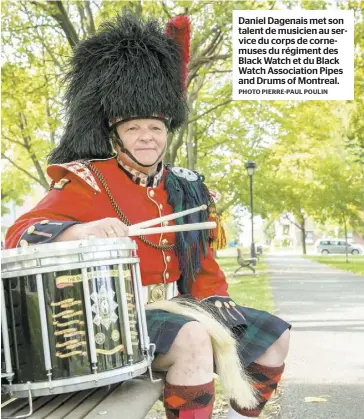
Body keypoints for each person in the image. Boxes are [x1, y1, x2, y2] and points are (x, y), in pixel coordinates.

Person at [5, 13, 290, 419]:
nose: (146, 137)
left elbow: (202, 263)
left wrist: (216, 299)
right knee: (193, 338)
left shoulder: (186, 186)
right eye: (134, 127)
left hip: (182, 305)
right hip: (115, 319)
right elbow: (18, 233)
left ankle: (236, 415)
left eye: (155, 127)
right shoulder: (86, 179)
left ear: (167, 130)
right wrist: (80, 231)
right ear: (115, 132)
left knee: (275, 337)